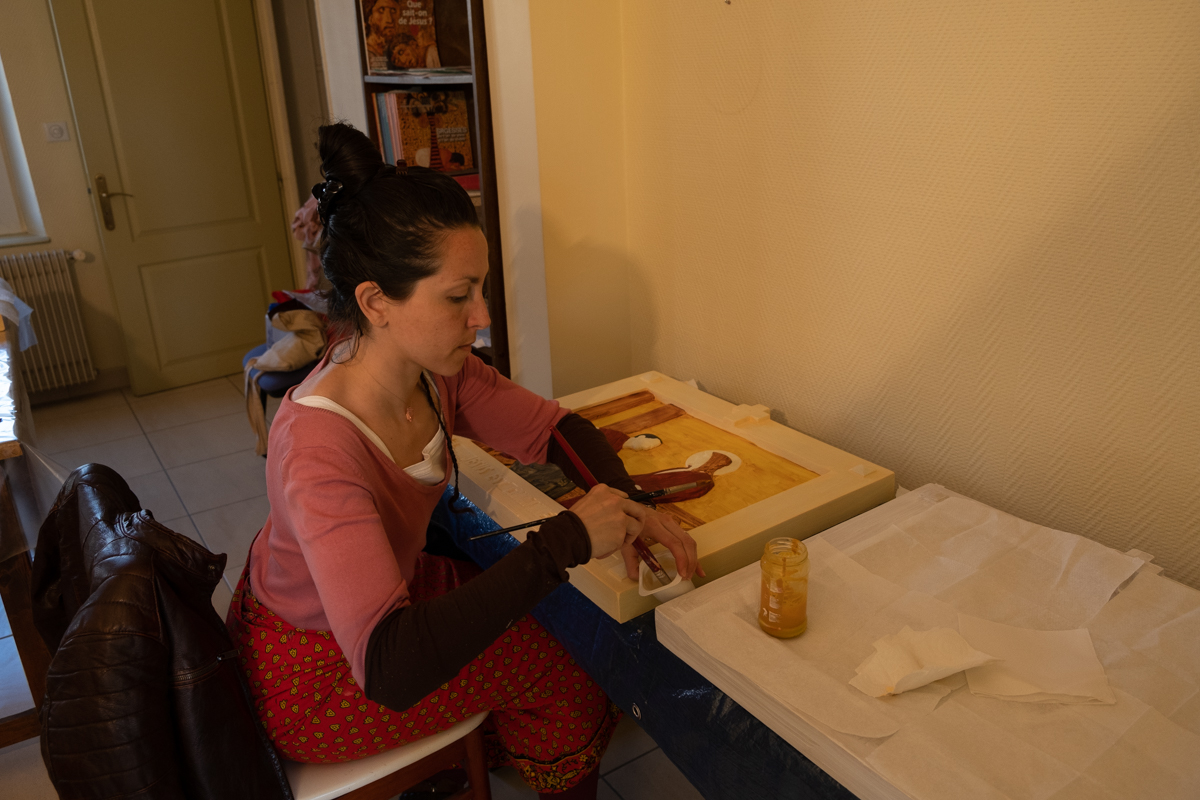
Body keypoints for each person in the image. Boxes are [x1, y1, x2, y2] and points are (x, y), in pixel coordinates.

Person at [226, 122, 702, 799]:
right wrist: (565, 540)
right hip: (315, 674)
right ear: (375, 302)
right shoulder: (319, 448)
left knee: (546, 613)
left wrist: (629, 503)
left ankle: (486, 746)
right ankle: (516, 744)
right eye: (458, 297)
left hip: (378, 606)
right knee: (564, 658)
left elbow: (556, 428)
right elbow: (389, 667)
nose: (481, 315)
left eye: (480, 289)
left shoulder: (430, 371)